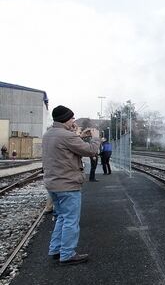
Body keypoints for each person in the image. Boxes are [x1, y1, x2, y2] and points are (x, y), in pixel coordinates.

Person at [42, 105, 101, 266]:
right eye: (72, 118)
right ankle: (67, 254)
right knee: (71, 220)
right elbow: (90, 151)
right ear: (66, 119)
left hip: (52, 184)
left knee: (61, 217)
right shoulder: (66, 136)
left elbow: (69, 149)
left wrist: (78, 135)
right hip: (67, 185)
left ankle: (55, 249)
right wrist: (96, 137)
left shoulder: (48, 134)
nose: (74, 120)